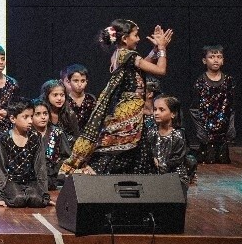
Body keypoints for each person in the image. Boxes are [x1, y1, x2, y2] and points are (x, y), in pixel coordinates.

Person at [65, 19, 172, 174]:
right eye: (136, 35)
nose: (139, 39)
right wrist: (162, 49)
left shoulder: (119, 54)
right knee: (118, 145)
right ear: (124, 38)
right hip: (130, 108)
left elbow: (142, 66)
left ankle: (139, 178)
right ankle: (90, 173)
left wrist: (155, 50)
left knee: (137, 145)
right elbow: (160, 70)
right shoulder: (128, 54)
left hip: (130, 107)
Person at [0, 100, 49, 208]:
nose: (30, 121)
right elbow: (0, 169)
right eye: (25, 117)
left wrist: (45, 194)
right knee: (18, 199)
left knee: (36, 200)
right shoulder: (4, 139)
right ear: (13, 119)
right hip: (12, 181)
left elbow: (40, 167)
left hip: (30, 180)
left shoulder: (35, 137)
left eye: (31, 117)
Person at [189, 45, 234, 165]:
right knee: (208, 160)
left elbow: (231, 106)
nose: (216, 60)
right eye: (212, 57)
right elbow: (194, 109)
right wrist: (200, 130)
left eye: (219, 57)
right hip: (207, 129)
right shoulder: (200, 82)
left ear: (223, 60)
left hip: (223, 129)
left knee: (223, 161)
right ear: (204, 60)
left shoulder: (228, 81)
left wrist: (231, 126)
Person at [140, 94, 192, 187]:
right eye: (155, 109)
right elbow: (146, 151)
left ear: (173, 114)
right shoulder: (151, 132)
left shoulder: (178, 135)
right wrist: (151, 160)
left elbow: (176, 160)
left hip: (174, 176)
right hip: (153, 174)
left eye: (161, 110)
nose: (156, 113)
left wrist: (160, 165)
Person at [60, 63, 94, 133]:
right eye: (76, 81)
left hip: (88, 137)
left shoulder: (91, 99)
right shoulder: (64, 100)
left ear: (86, 82)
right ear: (69, 82)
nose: (79, 84)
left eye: (82, 81)